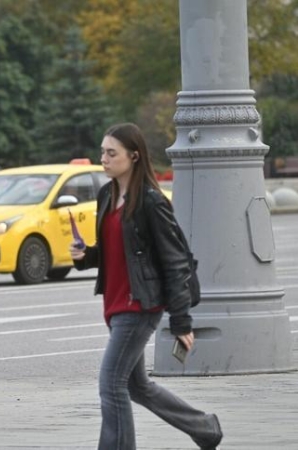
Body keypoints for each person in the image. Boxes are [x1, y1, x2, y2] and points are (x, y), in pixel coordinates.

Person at [69, 123, 222, 450]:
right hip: (115, 304)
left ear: (134, 157)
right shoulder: (106, 195)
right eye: (102, 152)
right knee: (137, 386)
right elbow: (118, 252)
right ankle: (205, 428)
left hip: (139, 306)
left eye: (112, 153)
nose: (103, 159)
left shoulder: (151, 202)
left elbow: (175, 262)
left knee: (111, 385)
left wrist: (181, 321)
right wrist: (86, 257)